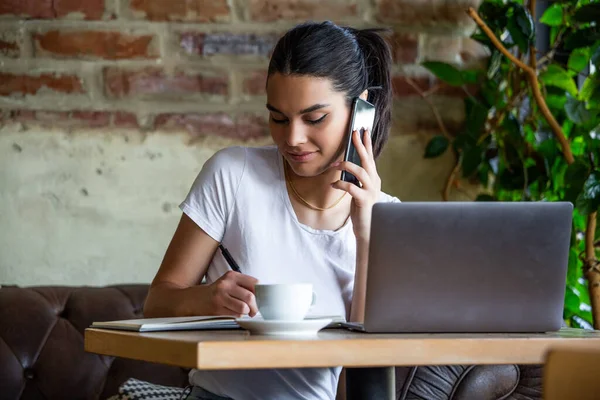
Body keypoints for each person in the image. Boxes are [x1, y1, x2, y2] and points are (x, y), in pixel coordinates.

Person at [143, 20, 401, 400]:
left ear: (361, 109)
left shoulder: (388, 217)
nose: (292, 139)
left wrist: (367, 236)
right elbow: (156, 303)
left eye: (315, 118)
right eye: (278, 118)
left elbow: (358, 382)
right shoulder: (233, 175)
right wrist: (204, 299)